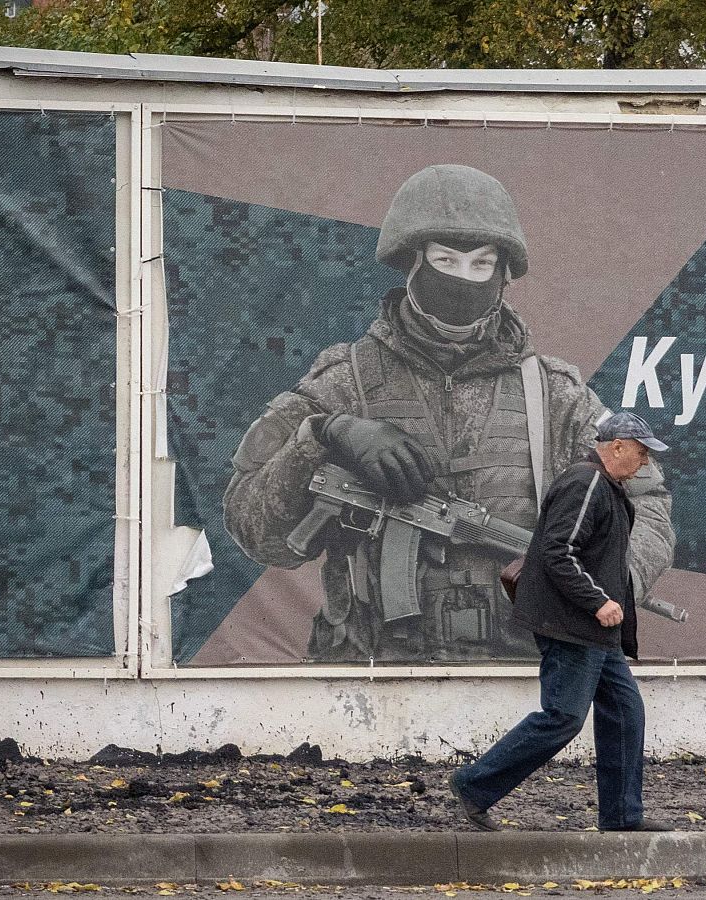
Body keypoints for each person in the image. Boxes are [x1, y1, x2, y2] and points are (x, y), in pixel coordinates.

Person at [223, 164, 675, 662]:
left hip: (524, 669)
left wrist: (608, 581)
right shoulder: (343, 381)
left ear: (503, 274)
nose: (463, 279)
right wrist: (324, 434)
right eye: (445, 260)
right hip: (368, 670)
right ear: (413, 261)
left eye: (482, 264)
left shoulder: (554, 394)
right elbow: (257, 532)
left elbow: (645, 505)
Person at [448, 411, 674, 833]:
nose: (645, 462)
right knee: (563, 717)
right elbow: (558, 551)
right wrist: (597, 602)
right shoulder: (586, 483)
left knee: (625, 714)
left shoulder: (605, 486)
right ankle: (473, 785)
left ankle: (622, 817)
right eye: (642, 452)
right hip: (573, 627)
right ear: (617, 447)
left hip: (596, 632)